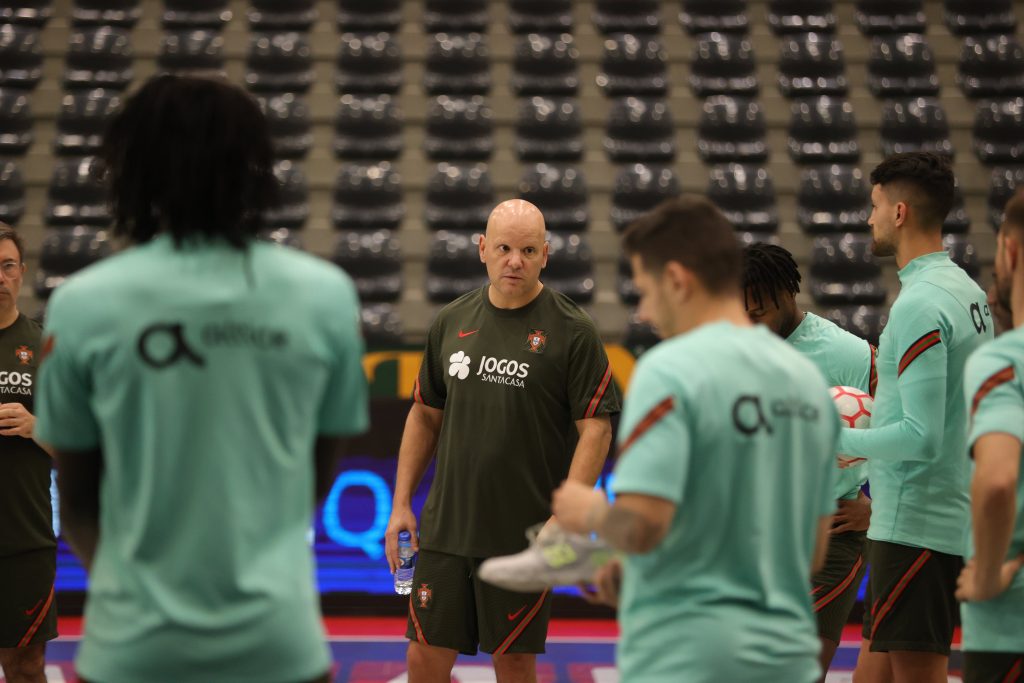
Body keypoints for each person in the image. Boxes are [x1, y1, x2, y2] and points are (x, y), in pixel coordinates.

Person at [33, 75, 369, 683]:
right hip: (280, 646)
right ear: (256, 168)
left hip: (130, 651)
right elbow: (313, 480)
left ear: (132, 168)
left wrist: (138, 592)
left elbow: (78, 497)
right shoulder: (325, 297)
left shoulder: (82, 304)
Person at [553, 196, 838, 683]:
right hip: (787, 658)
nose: (642, 313)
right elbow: (810, 552)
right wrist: (628, 579)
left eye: (644, 291)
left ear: (678, 281)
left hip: (684, 658)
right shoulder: (808, 381)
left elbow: (642, 528)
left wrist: (587, 512)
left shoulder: (670, 370)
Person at [384, 198, 620, 683]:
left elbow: (596, 427)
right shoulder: (450, 320)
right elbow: (425, 415)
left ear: (546, 255)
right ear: (482, 249)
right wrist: (400, 502)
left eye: (529, 250)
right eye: (505, 248)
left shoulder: (573, 331)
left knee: (513, 665)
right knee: (422, 660)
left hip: (521, 536)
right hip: (446, 530)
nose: (516, 260)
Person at [833, 152, 993, 683]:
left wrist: (840, 437)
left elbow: (922, 437)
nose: (868, 217)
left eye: (875, 205)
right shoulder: (969, 292)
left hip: (917, 526)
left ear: (899, 212)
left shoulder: (920, 303)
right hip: (929, 516)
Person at [743, 242, 875, 680]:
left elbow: (910, 435)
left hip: (829, 538)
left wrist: (876, 509)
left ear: (788, 294)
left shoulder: (852, 356)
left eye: (758, 312)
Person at [955, 188, 1024, 683]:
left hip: (1010, 629)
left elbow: (998, 481)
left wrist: (985, 575)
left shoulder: (1003, 361)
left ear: (1010, 249)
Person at [0, 226, 56, 683]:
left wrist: (39, 427)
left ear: (22, 273)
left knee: (26, 667)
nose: (0, 277)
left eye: (7, 266)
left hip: (25, 541)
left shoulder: (45, 346)